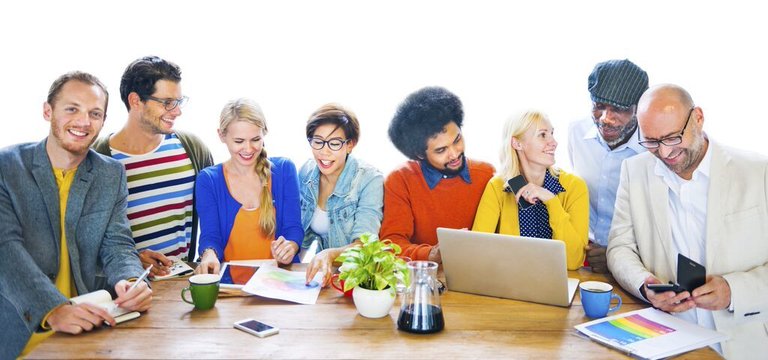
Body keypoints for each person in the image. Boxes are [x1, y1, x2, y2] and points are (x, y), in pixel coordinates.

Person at [607, 84, 768, 358]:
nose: (665, 153)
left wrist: (734, 290)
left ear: (698, 118)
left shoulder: (758, 172)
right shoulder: (634, 171)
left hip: (742, 340)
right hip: (665, 338)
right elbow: (620, 247)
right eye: (651, 142)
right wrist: (645, 285)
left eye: (672, 138)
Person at [0, 72, 152, 358]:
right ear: (48, 111)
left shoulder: (111, 173)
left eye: (95, 113)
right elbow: (5, 249)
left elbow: (117, 243)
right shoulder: (6, 167)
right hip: (20, 334)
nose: (84, 122)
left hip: (91, 331)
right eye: (72, 109)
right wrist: (52, 309)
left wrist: (131, 280)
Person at [93, 56, 213, 277]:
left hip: (183, 286)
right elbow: (84, 241)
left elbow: (214, 214)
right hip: (129, 290)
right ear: (136, 101)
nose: (177, 111)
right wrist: (130, 260)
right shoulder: (99, 159)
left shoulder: (192, 149)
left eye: (179, 101)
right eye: (167, 102)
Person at [380, 86, 495, 262]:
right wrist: (432, 254)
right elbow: (391, 244)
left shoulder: (487, 173)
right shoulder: (400, 180)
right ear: (419, 154)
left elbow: (516, 181)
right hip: (422, 279)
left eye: (457, 140)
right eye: (441, 150)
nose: (455, 154)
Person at [194, 98, 302, 276]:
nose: (248, 148)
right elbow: (210, 236)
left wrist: (291, 245)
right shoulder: (208, 180)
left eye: (255, 139)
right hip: (231, 287)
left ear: (264, 134)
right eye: (239, 141)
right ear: (221, 135)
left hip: (281, 282)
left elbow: (294, 228)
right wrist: (209, 254)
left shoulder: (284, 170)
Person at [473, 111, 588, 270]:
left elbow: (574, 261)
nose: (554, 142)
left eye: (552, 134)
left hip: (559, 283)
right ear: (517, 143)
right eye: (542, 135)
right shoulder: (498, 186)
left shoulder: (574, 186)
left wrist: (551, 201)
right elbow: (477, 250)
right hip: (511, 281)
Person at [568, 59, 648, 273]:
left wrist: (616, 255)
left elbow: (661, 223)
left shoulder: (656, 149)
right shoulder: (575, 132)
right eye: (599, 107)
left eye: (617, 109)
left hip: (634, 263)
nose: (605, 119)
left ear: (638, 109)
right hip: (581, 257)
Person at [299, 104, 384, 286]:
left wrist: (330, 253)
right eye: (318, 141)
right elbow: (301, 236)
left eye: (335, 143)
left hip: (359, 281)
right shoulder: (306, 173)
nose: (324, 151)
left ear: (350, 145)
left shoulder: (369, 179)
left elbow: (365, 245)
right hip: (324, 280)